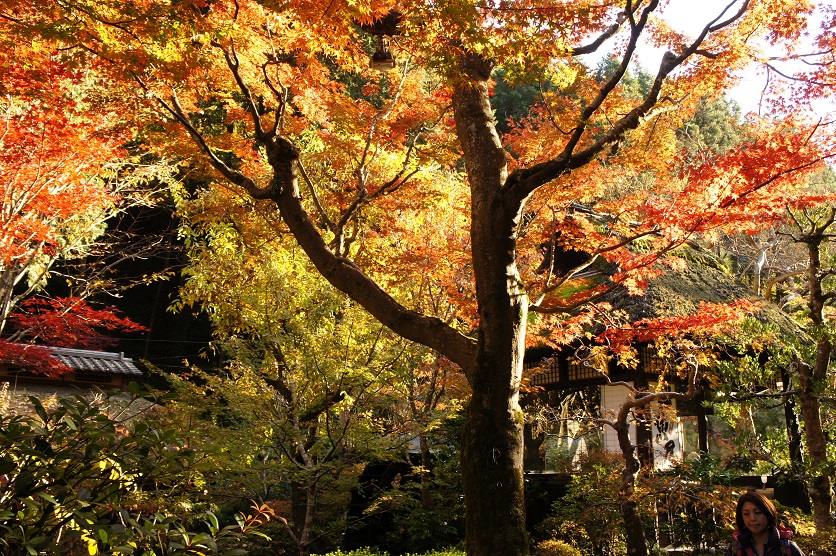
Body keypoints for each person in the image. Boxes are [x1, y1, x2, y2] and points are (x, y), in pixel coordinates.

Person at [726, 491, 805, 556]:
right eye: (746, 514)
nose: (752, 518)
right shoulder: (735, 550)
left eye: (758, 512)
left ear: (768, 514)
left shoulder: (787, 548)